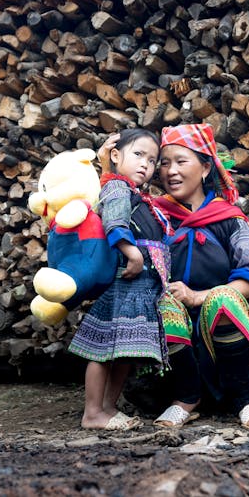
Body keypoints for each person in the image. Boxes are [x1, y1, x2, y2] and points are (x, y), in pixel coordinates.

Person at [99, 123, 249, 430]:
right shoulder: (154, 213)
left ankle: (246, 399)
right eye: (164, 163)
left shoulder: (229, 218)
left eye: (181, 161)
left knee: (224, 298)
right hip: (171, 335)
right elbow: (113, 200)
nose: (170, 171)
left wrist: (198, 296)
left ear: (206, 167)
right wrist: (107, 164)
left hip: (224, 327)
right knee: (161, 301)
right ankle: (185, 398)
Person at [68, 129, 171, 430]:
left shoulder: (136, 193)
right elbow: (114, 222)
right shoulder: (116, 188)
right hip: (126, 282)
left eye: (152, 161)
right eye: (138, 155)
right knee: (104, 350)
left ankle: (108, 408)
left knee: (123, 352)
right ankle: (92, 412)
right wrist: (132, 253)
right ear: (115, 155)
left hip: (140, 288)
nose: (146, 165)